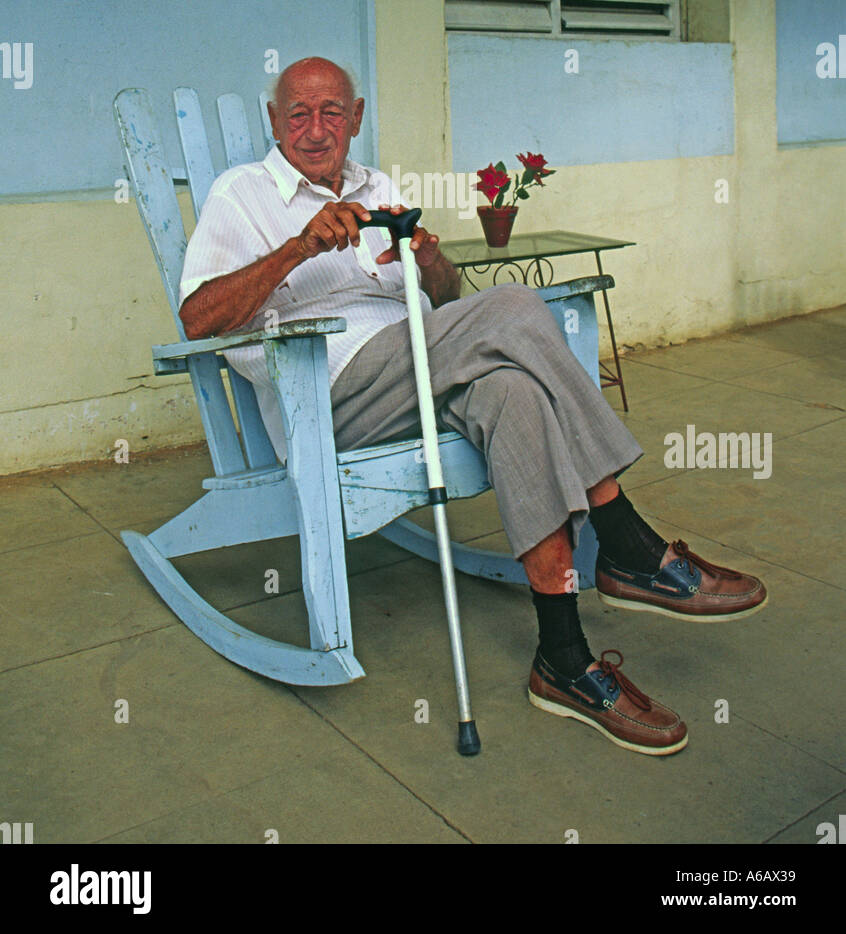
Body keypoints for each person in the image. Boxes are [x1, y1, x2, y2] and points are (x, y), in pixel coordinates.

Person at [179, 57, 766, 757]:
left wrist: (429, 265)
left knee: (512, 391)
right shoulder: (240, 194)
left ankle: (564, 659)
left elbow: (452, 307)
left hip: (420, 363)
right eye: (298, 114)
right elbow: (197, 318)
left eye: (331, 112)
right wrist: (298, 248)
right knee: (516, 305)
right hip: (327, 393)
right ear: (273, 122)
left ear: (356, 118)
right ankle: (627, 541)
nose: (315, 129)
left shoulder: (378, 187)